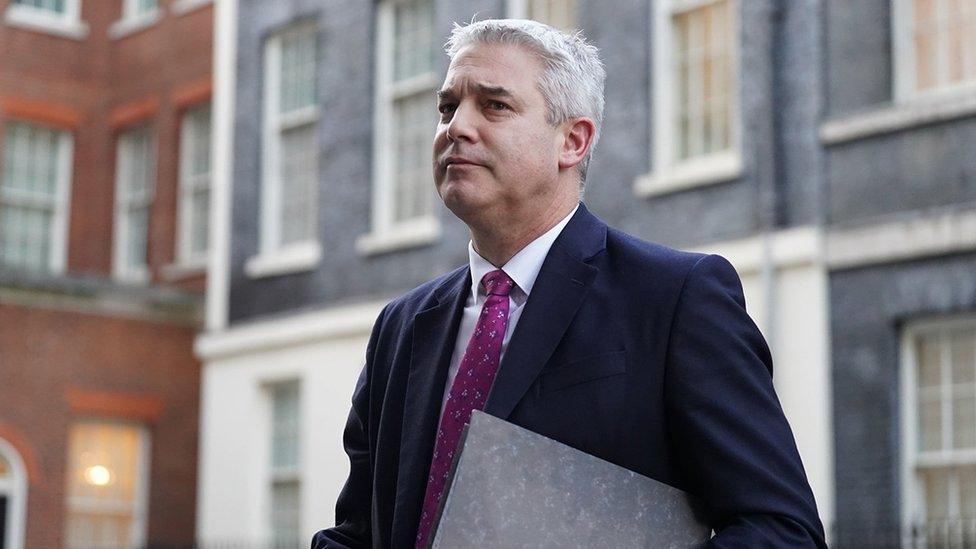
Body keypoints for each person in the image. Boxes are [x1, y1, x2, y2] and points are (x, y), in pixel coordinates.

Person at [313, 19, 826, 548]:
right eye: (447, 107)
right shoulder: (401, 327)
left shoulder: (676, 299)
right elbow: (359, 533)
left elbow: (782, 531)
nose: (456, 127)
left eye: (494, 105)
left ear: (572, 141)